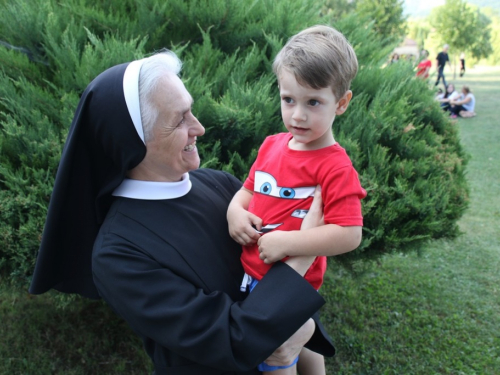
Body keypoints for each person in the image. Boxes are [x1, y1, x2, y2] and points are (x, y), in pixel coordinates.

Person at [28, 51, 335, 374]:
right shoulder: (118, 254)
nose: (199, 128)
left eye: (191, 111)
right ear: (132, 142)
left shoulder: (220, 185)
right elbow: (234, 338)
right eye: (179, 120)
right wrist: (304, 249)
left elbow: (293, 312)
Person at [227, 25, 366, 375]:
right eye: (289, 100)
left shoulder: (335, 166)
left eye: (313, 102)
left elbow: (349, 233)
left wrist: (289, 241)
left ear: (342, 103)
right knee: (300, 338)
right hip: (254, 272)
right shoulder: (272, 144)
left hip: (291, 281)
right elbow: (248, 190)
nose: (298, 115)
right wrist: (234, 213)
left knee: (276, 352)